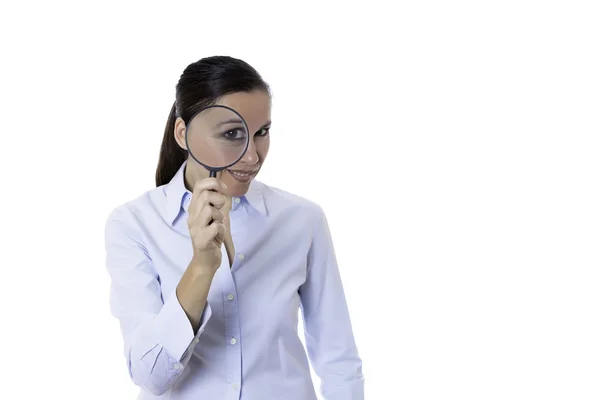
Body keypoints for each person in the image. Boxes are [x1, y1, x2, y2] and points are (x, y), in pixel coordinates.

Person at [104, 55, 364, 399]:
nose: (253, 155)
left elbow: (339, 360)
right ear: (183, 134)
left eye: (262, 133)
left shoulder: (302, 219)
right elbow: (150, 376)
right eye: (232, 134)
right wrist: (201, 267)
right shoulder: (134, 224)